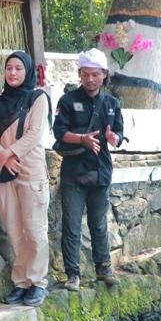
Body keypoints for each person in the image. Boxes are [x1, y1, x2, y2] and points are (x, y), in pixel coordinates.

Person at [0, 51, 51, 306]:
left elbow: (34, 133)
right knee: (14, 229)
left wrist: (9, 153)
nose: (12, 73)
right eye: (9, 68)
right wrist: (1, 156)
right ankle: (21, 282)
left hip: (29, 168)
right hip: (4, 171)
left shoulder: (38, 98)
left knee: (34, 229)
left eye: (18, 68)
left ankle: (38, 282)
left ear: (27, 71)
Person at [52, 48, 124, 291]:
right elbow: (59, 132)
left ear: (104, 74)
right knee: (71, 225)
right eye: (85, 74)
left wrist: (115, 137)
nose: (90, 79)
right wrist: (82, 139)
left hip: (101, 171)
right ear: (80, 74)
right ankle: (73, 274)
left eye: (95, 74)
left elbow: (119, 132)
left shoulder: (112, 103)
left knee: (99, 224)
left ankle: (104, 268)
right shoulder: (68, 100)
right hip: (74, 172)